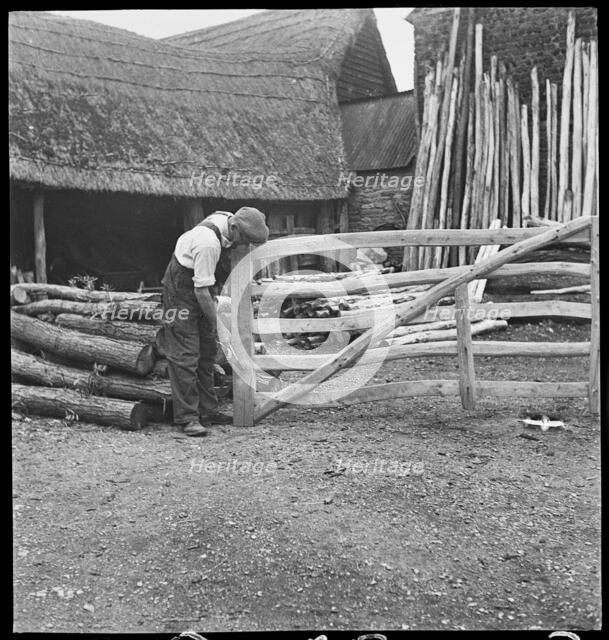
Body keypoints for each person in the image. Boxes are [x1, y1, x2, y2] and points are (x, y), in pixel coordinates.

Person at [157, 207, 269, 437]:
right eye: (244, 240)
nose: (242, 245)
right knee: (185, 355)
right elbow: (201, 293)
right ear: (235, 228)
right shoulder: (208, 243)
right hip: (181, 291)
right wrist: (219, 326)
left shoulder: (226, 220)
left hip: (199, 285)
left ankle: (208, 410)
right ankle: (187, 417)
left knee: (207, 352)